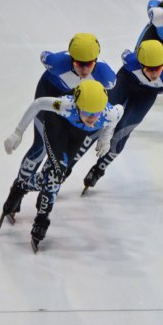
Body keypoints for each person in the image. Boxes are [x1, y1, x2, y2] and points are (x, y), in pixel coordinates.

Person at [0, 80, 123, 252]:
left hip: (77, 133)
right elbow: (38, 104)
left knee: (56, 175)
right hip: (56, 125)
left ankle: (20, 187)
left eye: (96, 113)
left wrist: (105, 137)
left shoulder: (109, 113)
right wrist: (18, 132)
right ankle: (42, 219)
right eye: (87, 112)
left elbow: (119, 112)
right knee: (57, 173)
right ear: (78, 106)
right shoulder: (66, 105)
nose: (92, 118)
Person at [11, 33, 116, 213]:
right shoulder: (56, 62)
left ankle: (46, 185)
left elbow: (108, 108)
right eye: (78, 64)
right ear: (71, 60)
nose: (84, 69)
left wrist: (106, 136)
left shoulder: (107, 77)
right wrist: (18, 132)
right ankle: (17, 191)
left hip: (77, 106)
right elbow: (44, 55)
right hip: (51, 94)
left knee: (61, 152)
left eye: (89, 64)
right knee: (40, 146)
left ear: (96, 61)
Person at [80, 39, 163, 192]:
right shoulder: (130, 61)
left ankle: (98, 170)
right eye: (149, 68)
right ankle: (70, 163)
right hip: (126, 81)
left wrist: (150, 89)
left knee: (123, 131)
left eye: (158, 68)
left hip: (147, 94)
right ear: (140, 65)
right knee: (98, 118)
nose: (154, 73)